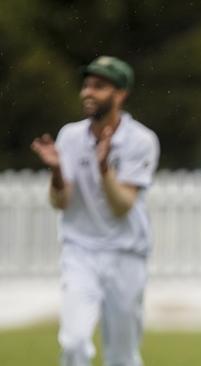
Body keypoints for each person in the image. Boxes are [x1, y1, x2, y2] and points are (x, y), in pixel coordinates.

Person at [31, 55, 160, 366]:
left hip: (126, 254)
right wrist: (57, 172)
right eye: (87, 85)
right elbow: (60, 202)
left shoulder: (141, 140)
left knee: (122, 356)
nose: (88, 92)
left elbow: (122, 205)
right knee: (74, 343)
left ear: (120, 94)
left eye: (99, 86)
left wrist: (103, 168)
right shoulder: (71, 136)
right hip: (80, 252)